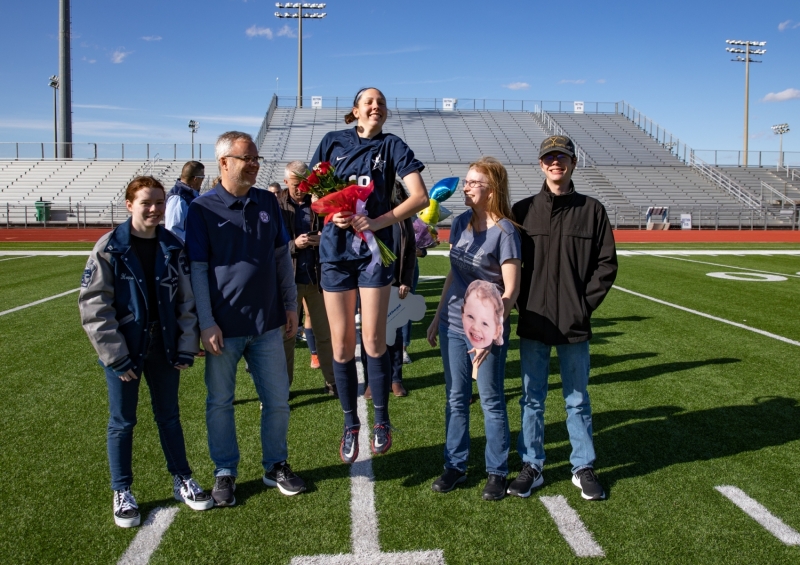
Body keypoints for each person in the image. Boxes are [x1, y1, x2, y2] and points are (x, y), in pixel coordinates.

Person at [78, 176, 213, 528]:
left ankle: (182, 477)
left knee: (169, 415)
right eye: (145, 203)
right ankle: (121, 490)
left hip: (164, 347)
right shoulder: (109, 248)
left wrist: (186, 346)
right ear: (129, 205)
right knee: (122, 422)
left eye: (158, 202)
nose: (153, 209)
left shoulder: (172, 245)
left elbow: (186, 300)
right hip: (126, 349)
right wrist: (116, 355)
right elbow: (95, 307)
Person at [184, 131, 305, 506]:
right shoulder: (201, 209)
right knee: (220, 402)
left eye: (256, 158)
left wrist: (290, 306)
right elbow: (197, 271)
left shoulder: (268, 201)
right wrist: (206, 322)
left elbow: (282, 259)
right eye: (246, 158)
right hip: (224, 328)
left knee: (278, 400)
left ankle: (275, 465)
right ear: (224, 163)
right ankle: (225, 471)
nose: (254, 164)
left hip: (268, 324)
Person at [310, 87, 428, 463]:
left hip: (374, 254)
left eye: (381, 102)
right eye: (369, 102)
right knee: (343, 346)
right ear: (356, 110)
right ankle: (349, 424)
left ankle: (381, 419)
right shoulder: (332, 142)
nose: (376, 106)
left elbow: (420, 198)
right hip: (334, 253)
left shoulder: (393, 146)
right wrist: (333, 212)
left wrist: (378, 220)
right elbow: (313, 195)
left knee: (374, 341)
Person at [508, 135, 618, 501]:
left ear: (573, 163)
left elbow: (606, 266)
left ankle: (582, 465)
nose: (556, 163)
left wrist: (582, 306)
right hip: (534, 321)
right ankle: (532, 464)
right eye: (550, 157)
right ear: (541, 164)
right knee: (531, 398)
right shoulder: (522, 211)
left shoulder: (593, 210)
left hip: (574, 324)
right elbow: (508, 265)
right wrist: (521, 302)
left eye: (563, 157)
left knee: (577, 399)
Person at [426, 157, 521, 501]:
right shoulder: (461, 221)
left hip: (488, 328)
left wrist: (492, 331)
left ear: (491, 190)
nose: (464, 187)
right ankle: (455, 465)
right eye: (465, 182)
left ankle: (496, 471)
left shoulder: (507, 232)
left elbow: (511, 291)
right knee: (456, 398)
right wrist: (438, 313)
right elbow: (454, 273)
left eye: (472, 182)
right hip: (454, 322)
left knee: (492, 400)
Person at [280, 160, 337, 396]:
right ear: (285, 182)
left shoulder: (320, 201)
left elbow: (340, 234)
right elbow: (267, 246)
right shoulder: (276, 206)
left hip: (317, 280)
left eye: (303, 184)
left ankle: (332, 381)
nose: (300, 189)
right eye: (295, 184)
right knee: (286, 339)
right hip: (287, 282)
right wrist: (294, 245)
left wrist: (324, 239)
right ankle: (282, 388)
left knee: (324, 336)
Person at [362, 181, 417, 399]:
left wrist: (406, 280)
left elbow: (410, 249)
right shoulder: (366, 214)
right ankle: (371, 382)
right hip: (370, 283)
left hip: (395, 282)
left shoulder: (402, 217)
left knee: (393, 334)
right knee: (370, 334)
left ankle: (395, 379)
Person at [165, 161, 205, 243]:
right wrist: (196, 241)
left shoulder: (189, 195)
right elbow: (173, 231)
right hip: (184, 252)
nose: (203, 180)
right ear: (195, 179)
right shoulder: (177, 198)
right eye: (202, 177)